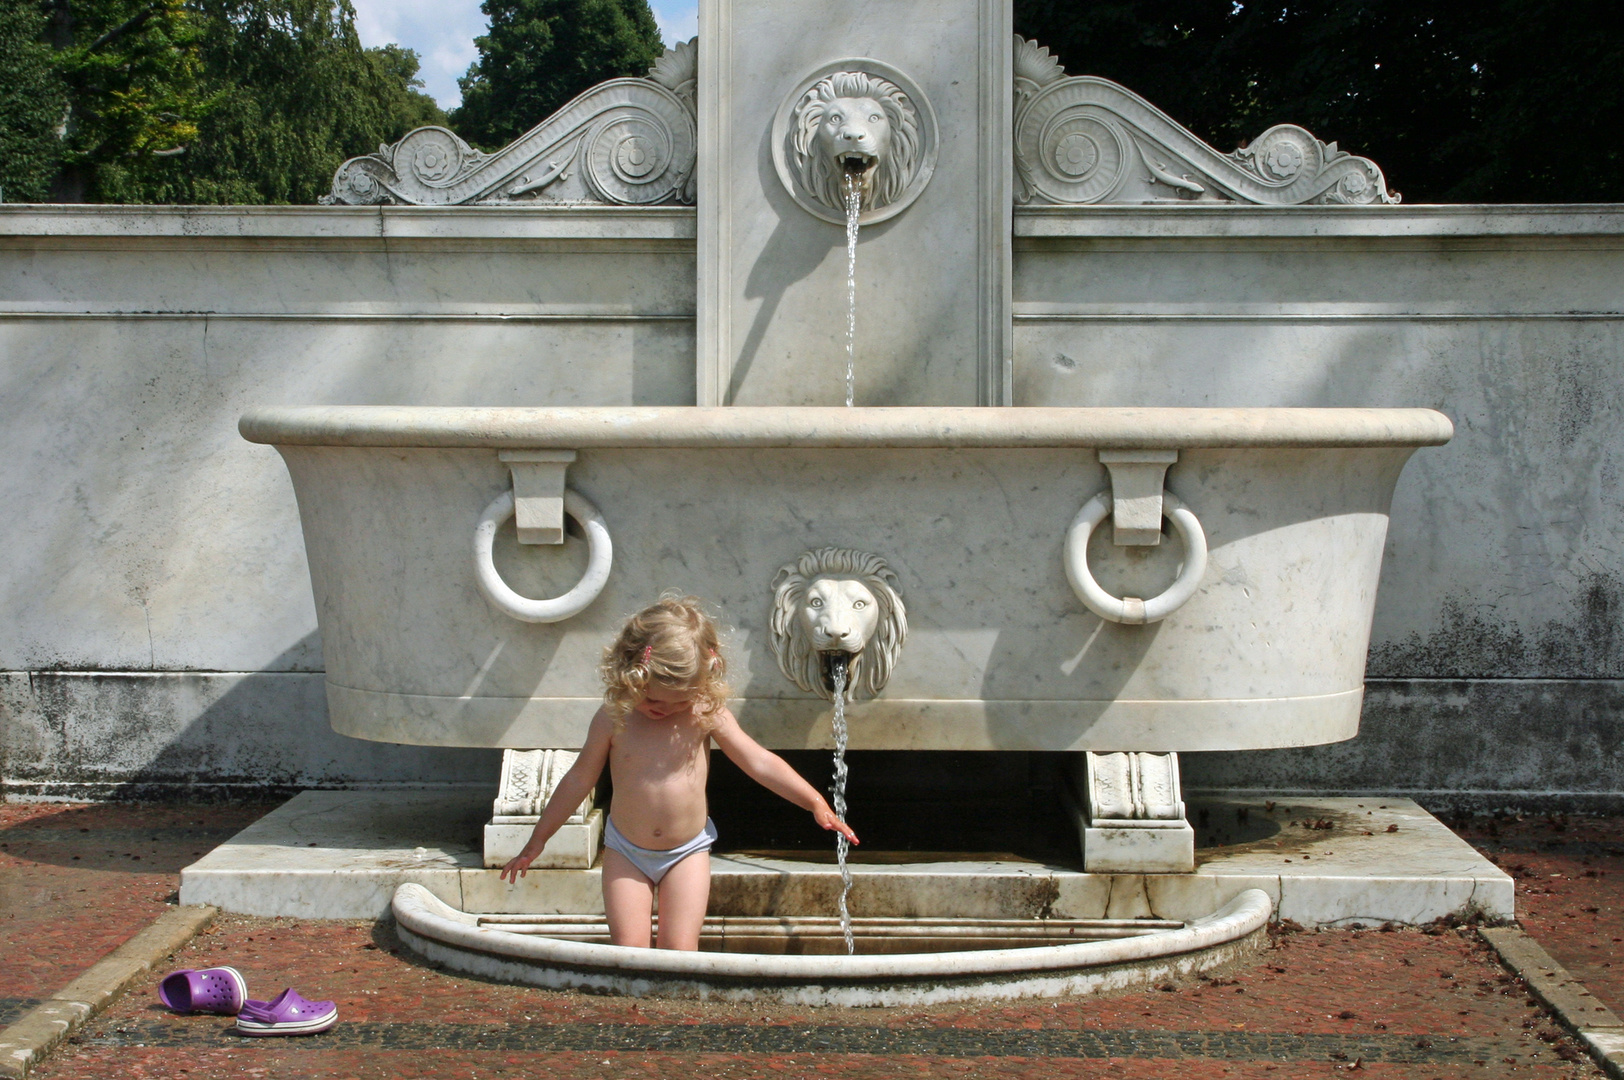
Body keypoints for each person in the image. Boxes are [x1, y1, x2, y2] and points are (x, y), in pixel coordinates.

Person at [499, 595, 859, 950]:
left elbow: (758, 761)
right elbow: (580, 778)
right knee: (629, 951)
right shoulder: (614, 717)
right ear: (630, 675)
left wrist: (814, 801)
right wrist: (538, 840)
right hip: (626, 851)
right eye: (652, 699)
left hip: (686, 852)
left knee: (680, 951)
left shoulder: (705, 712)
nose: (663, 710)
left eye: (679, 701)